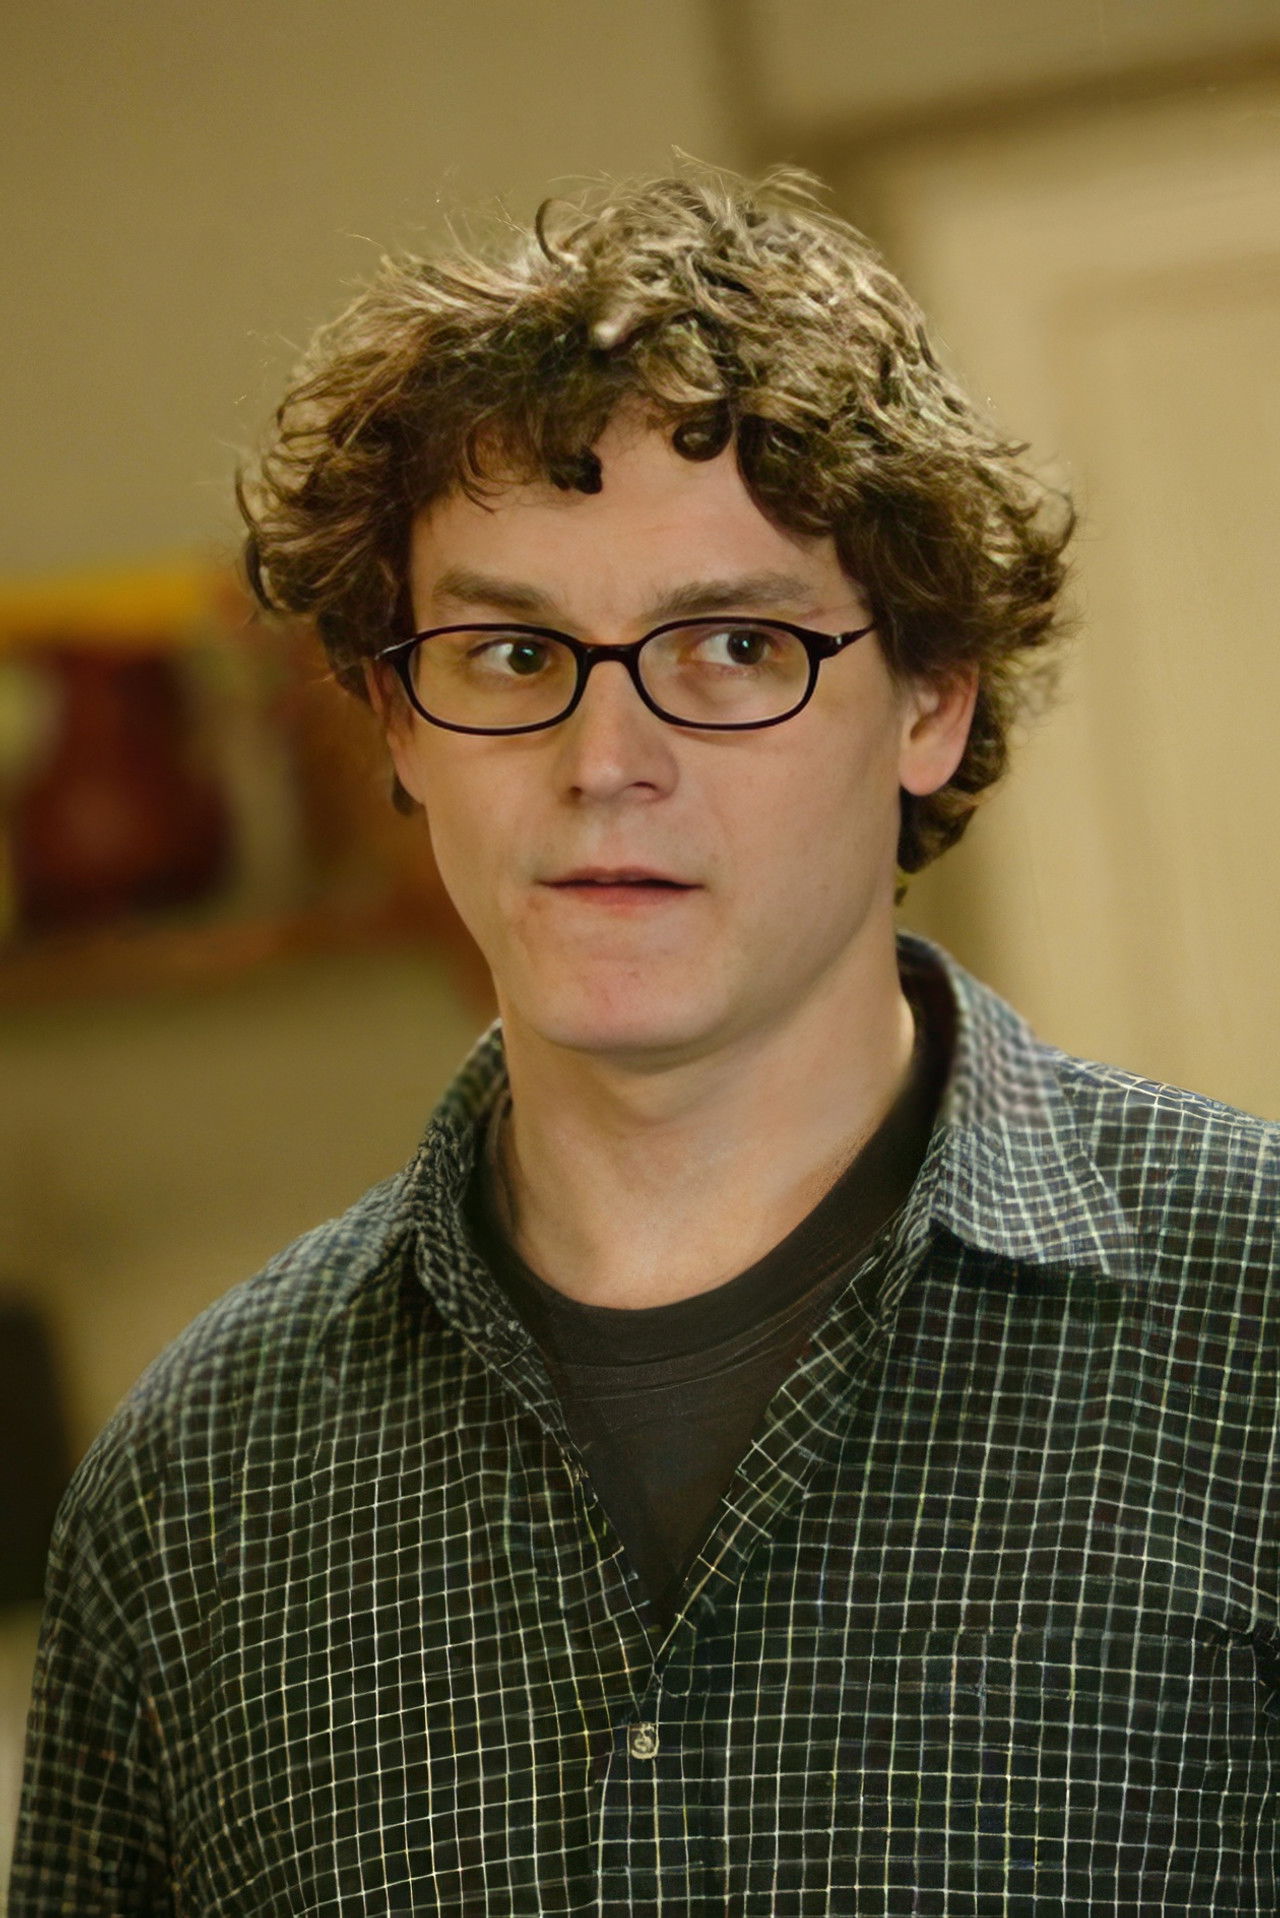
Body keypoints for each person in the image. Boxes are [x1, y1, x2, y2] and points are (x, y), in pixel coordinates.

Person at [12, 165, 1279, 1915]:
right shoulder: (192, 1490)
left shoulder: (1256, 1325)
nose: (608, 760)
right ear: (397, 721)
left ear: (931, 698)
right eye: (511, 652)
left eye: (734, 644)